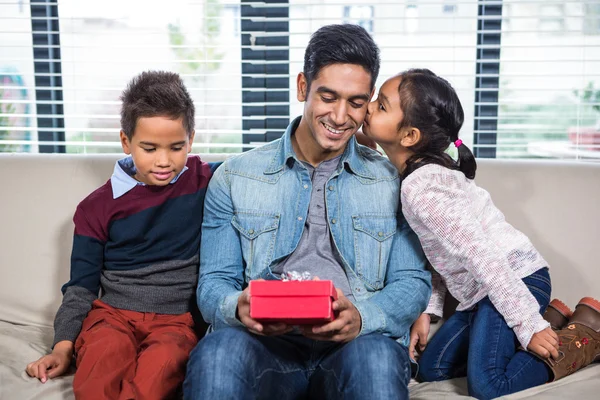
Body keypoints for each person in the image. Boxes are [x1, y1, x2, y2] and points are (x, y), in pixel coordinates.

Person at [183, 24, 431, 400]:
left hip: (358, 345)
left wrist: (361, 318)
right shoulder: (234, 177)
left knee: (377, 362)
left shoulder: (394, 183)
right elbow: (213, 284)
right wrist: (239, 306)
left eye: (356, 102)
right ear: (303, 87)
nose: (340, 116)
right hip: (265, 346)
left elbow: (412, 282)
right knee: (218, 354)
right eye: (327, 97)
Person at [361, 68, 600, 399]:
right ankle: (554, 316)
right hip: (486, 293)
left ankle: (584, 335)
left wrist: (529, 325)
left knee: (489, 385)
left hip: (516, 277)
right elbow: (439, 254)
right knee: (433, 368)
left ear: (410, 136)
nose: (369, 106)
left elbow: (481, 255)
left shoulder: (422, 188)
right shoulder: (417, 177)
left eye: (381, 105)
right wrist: (428, 312)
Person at [25, 71, 219, 399]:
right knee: (97, 370)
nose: (163, 160)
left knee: (158, 374)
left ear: (191, 139)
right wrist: (62, 348)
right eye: (149, 147)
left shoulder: (205, 180)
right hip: (111, 316)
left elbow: (258, 165)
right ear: (126, 142)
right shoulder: (96, 207)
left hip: (175, 322)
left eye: (176, 147)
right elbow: (81, 287)